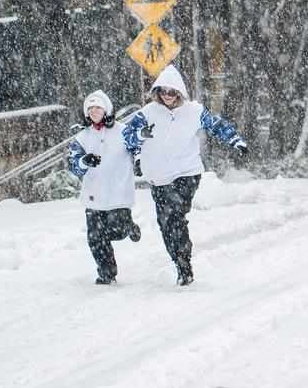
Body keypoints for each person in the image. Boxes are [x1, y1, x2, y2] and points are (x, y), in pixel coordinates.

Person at [124, 65, 247, 286]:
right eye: (163, 92)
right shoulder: (147, 113)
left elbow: (217, 125)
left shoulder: (194, 111)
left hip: (187, 173)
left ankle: (184, 265)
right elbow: (127, 137)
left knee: (175, 214)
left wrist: (235, 140)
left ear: (180, 93)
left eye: (172, 92)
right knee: (166, 223)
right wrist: (140, 137)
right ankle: (180, 261)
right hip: (159, 177)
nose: (167, 96)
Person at [68, 90, 143, 285]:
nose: (94, 112)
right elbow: (73, 165)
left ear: (106, 110)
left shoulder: (123, 131)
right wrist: (85, 161)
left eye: (98, 108)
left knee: (116, 231)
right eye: (90, 109)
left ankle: (129, 228)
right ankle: (106, 273)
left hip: (119, 193)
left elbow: (138, 147)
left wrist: (140, 154)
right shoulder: (82, 138)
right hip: (94, 196)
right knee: (96, 238)